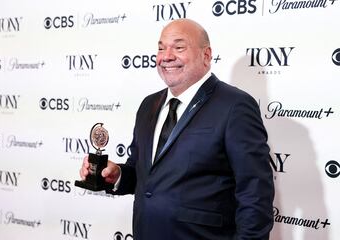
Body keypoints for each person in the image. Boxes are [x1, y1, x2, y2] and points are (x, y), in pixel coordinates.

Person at [80, 18, 274, 240]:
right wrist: (117, 175)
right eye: (161, 48)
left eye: (179, 47)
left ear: (206, 55)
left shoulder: (234, 105)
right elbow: (144, 175)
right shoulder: (148, 105)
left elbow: (255, 193)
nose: (166, 56)